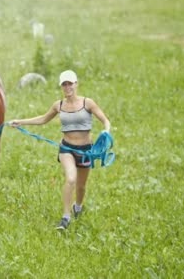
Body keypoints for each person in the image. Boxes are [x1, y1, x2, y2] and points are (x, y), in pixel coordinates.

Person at [9, 70, 111, 230]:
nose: (67, 87)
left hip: (85, 150)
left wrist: (106, 131)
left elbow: (105, 120)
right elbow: (43, 119)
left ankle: (78, 206)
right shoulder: (59, 105)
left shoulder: (88, 103)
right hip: (66, 148)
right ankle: (65, 217)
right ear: (61, 86)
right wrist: (20, 122)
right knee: (71, 179)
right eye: (64, 84)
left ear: (76, 84)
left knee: (81, 186)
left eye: (70, 83)